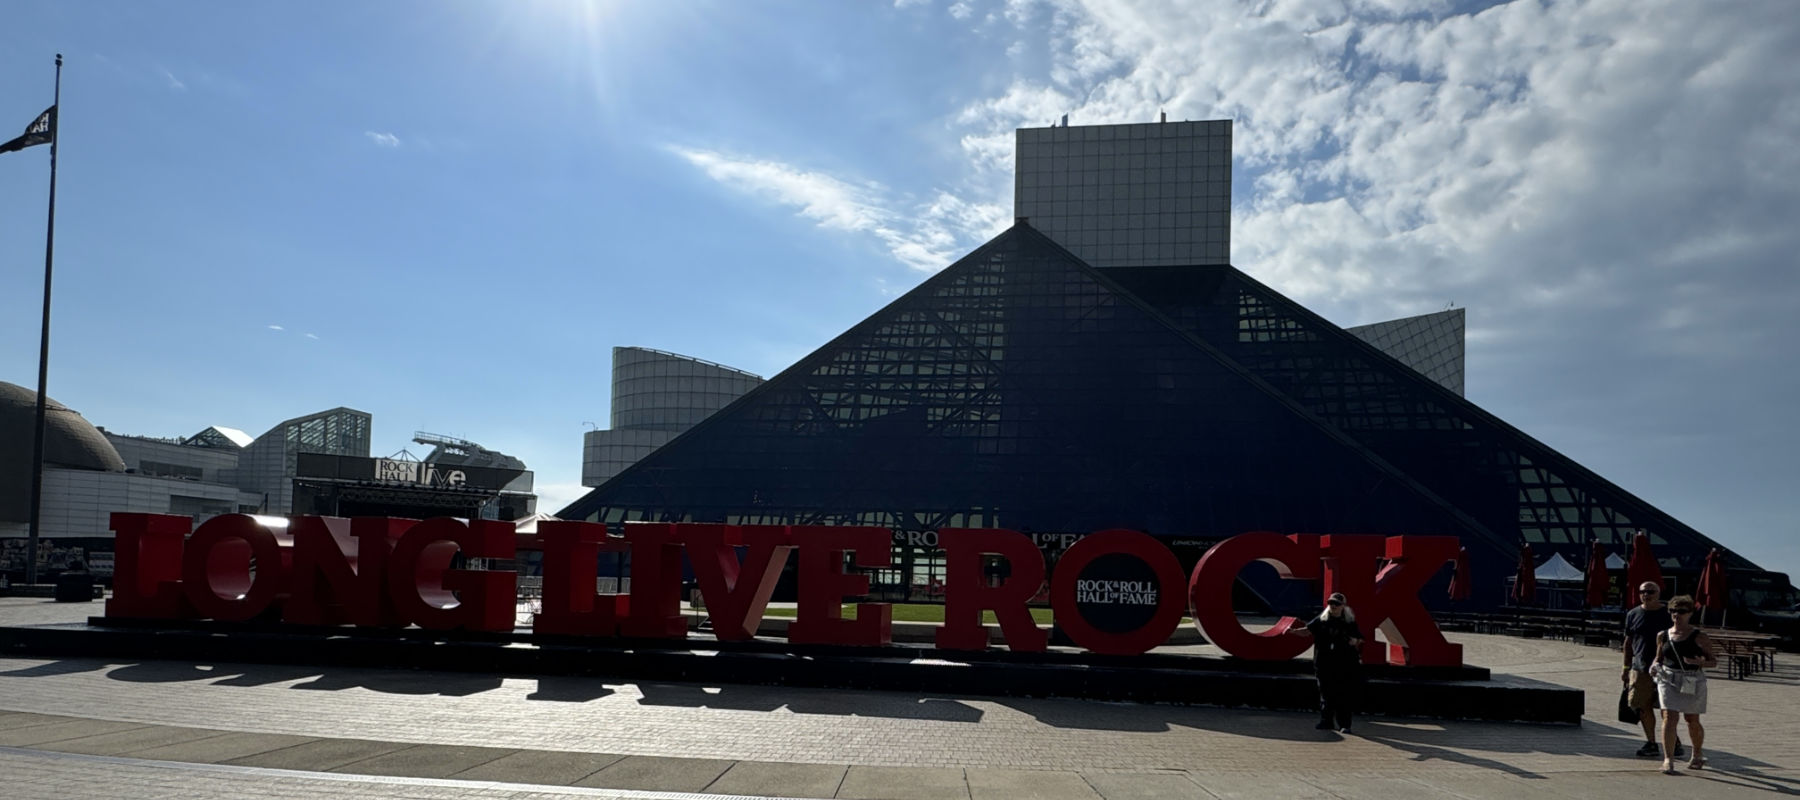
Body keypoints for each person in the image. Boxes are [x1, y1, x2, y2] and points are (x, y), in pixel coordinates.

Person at [1653, 595, 1717, 774]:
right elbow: (1658, 658)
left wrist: (1700, 662)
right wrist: (1654, 666)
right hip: (1668, 678)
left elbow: (1713, 661)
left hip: (1692, 678)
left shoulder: (1699, 636)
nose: (1676, 615)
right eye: (1672, 611)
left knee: (1692, 719)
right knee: (1669, 717)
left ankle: (1697, 753)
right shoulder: (1663, 635)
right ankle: (1668, 759)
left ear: (1690, 613)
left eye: (1681, 611)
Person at [1287, 592, 1364, 733]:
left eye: (1336, 604)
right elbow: (1307, 631)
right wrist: (1293, 631)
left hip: (1344, 663)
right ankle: (1326, 722)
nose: (1333, 606)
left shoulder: (1349, 621)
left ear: (1343, 606)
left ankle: (1345, 724)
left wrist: (1355, 641)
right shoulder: (1322, 619)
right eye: (1331, 603)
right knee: (1326, 693)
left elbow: (1360, 639)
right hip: (1324, 662)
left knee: (1343, 694)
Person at [1622, 581, 1682, 759]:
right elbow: (1628, 642)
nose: (1646, 595)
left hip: (1666, 668)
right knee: (1642, 705)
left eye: (1650, 591)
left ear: (1658, 593)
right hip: (1640, 668)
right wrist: (1626, 667)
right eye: (1642, 591)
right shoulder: (1633, 614)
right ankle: (1651, 742)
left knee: (1666, 706)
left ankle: (1674, 742)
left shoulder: (1668, 614)